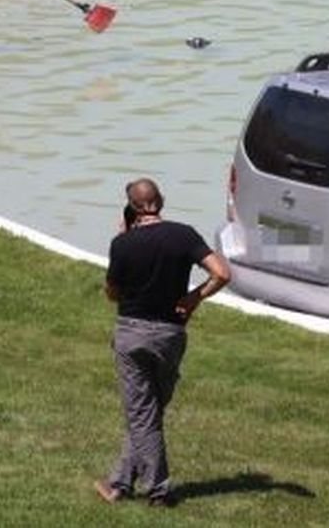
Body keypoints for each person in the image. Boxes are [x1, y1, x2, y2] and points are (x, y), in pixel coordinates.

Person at [96, 178, 231, 507]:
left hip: (132, 333)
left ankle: (160, 491)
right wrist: (193, 297)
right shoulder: (184, 234)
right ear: (161, 201)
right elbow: (222, 273)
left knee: (142, 414)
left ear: (132, 207)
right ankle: (119, 484)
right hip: (171, 335)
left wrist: (123, 239)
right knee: (149, 412)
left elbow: (113, 293)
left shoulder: (123, 244)